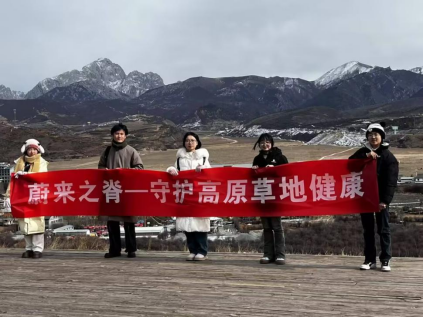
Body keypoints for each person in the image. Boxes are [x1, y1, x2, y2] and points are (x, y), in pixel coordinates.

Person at [349, 122, 399, 272]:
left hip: (380, 199)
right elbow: (349, 164)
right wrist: (365, 157)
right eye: (370, 135)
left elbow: (391, 182)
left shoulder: (388, 157)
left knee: (383, 229)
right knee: (368, 229)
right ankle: (369, 259)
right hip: (365, 197)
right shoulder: (363, 151)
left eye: (376, 135)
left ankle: (385, 259)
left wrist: (385, 200)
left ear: (382, 137)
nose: (373, 137)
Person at [98, 123, 144, 259]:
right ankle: (114, 249)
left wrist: (126, 172)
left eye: (122, 134)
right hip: (111, 190)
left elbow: (140, 168)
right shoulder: (107, 151)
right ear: (113, 135)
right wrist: (104, 171)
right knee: (112, 221)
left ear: (126, 136)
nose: (119, 136)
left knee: (129, 221)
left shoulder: (131, 151)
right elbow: (100, 166)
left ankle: (131, 249)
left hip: (128, 191)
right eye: (117, 133)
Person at [167, 132, 211, 262]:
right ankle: (192, 250)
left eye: (192, 140)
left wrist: (204, 169)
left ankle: (202, 250)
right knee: (188, 224)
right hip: (185, 194)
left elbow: (211, 173)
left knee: (200, 223)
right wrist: (171, 169)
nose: (190, 143)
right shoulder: (180, 159)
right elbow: (175, 170)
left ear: (197, 143)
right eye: (187, 140)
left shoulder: (203, 157)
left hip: (199, 195)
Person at [5, 139, 48, 259]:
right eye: (30, 149)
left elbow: (42, 177)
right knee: (24, 224)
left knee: (37, 223)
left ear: (38, 150)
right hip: (22, 196)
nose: (32, 152)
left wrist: (26, 175)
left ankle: (37, 249)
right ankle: (28, 248)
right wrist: (9, 196)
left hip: (36, 195)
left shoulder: (42, 162)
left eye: (34, 149)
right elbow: (13, 180)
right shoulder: (19, 162)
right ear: (26, 150)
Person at [252, 133, 289, 265]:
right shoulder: (257, 159)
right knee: (266, 227)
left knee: (277, 227)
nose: (265, 144)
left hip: (275, 196)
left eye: (267, 141)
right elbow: (253, 180)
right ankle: (268, 254)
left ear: (272, 143)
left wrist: (275, 169)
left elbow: (288, 173)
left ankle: (280, 255)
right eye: (262, 142)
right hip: (262, 196)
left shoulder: (280, 157)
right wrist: (254, 171)